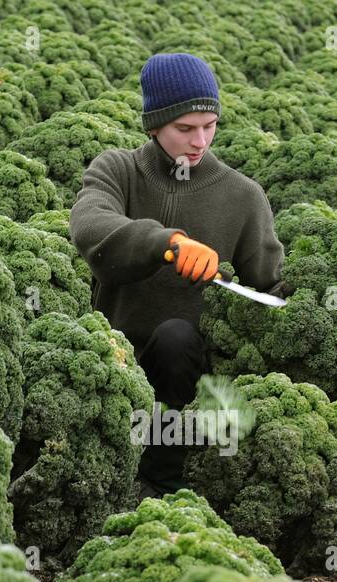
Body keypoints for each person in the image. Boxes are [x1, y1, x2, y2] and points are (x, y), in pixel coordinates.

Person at [69, 52, 285, 493]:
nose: (200, 141)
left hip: (198, 384)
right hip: (117, 366)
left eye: (210, 125)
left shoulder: (243, 197)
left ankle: (165, 482)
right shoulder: (117, 171)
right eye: (185, 128)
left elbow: (269, 290)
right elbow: (90, 227)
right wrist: (167, 243)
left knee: (177, 337)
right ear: (154, 126)